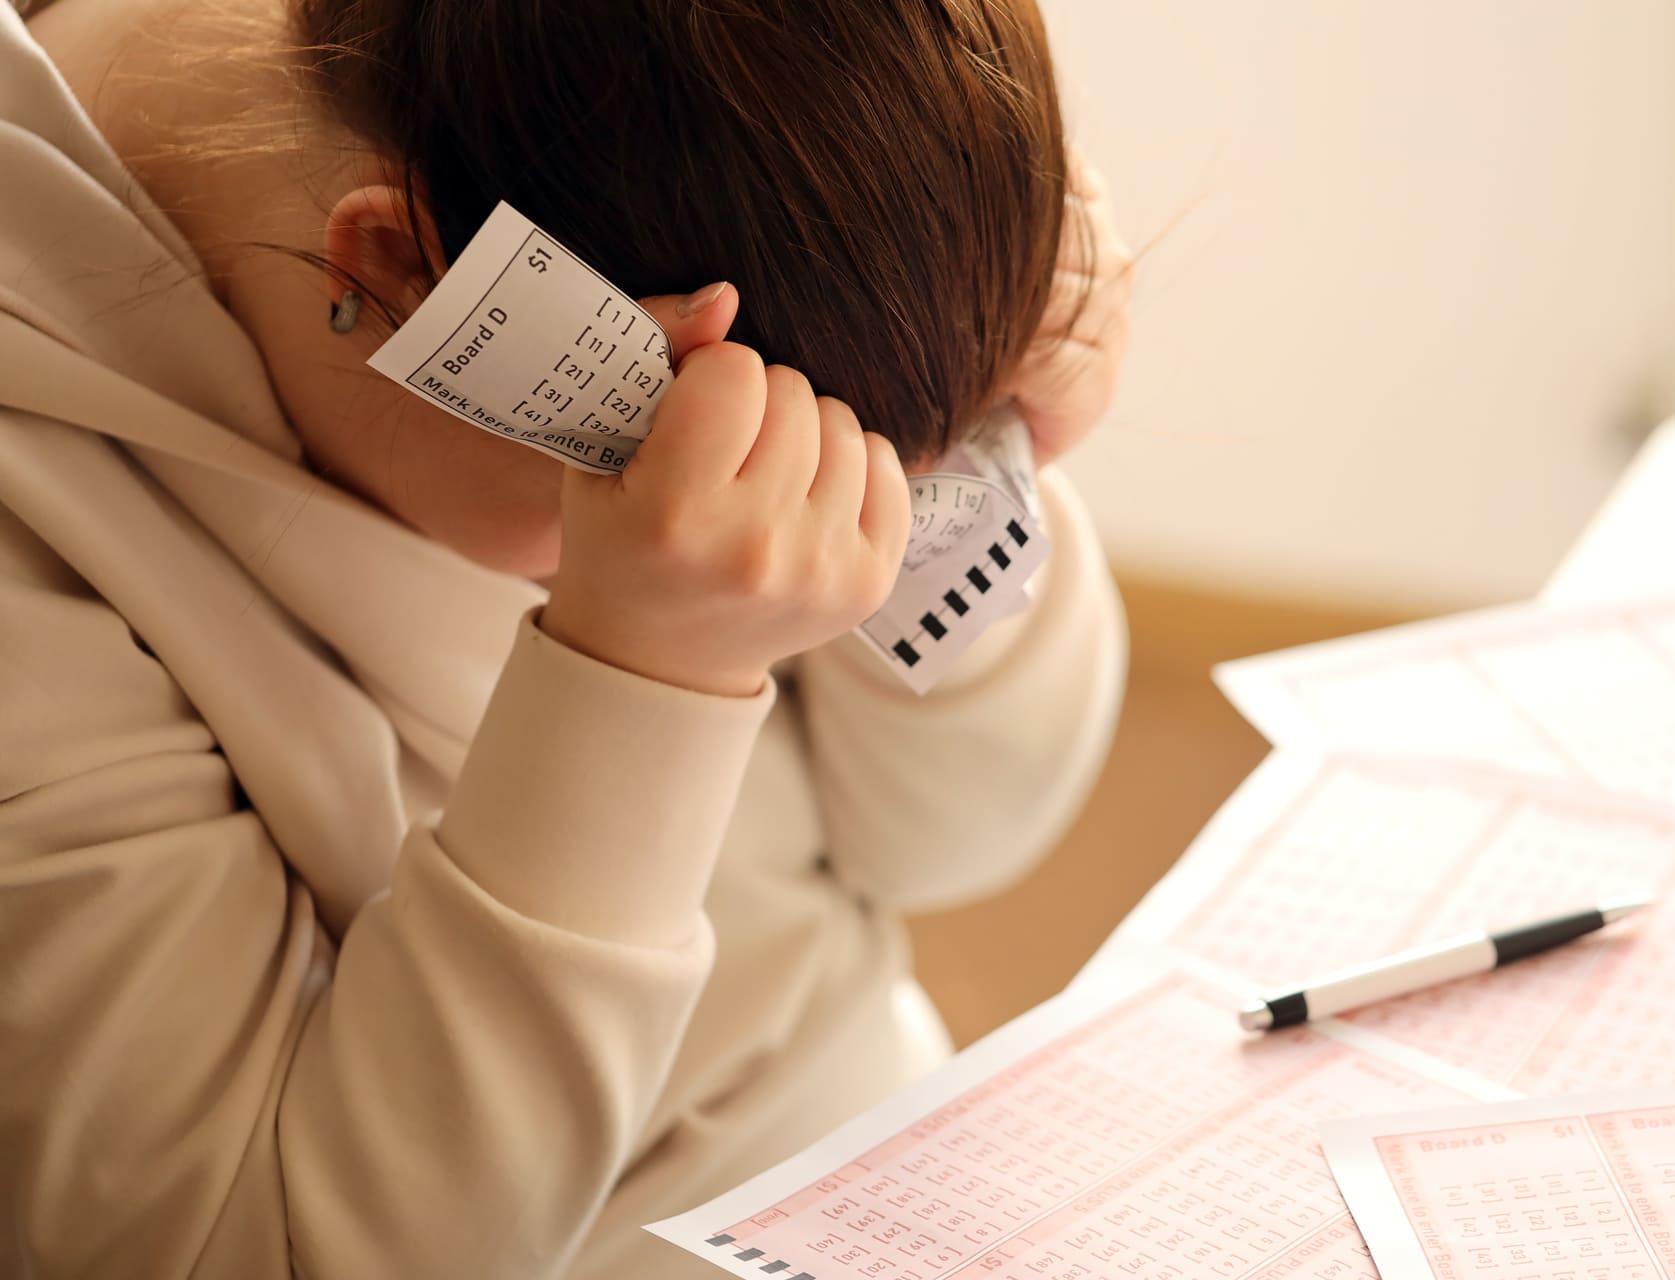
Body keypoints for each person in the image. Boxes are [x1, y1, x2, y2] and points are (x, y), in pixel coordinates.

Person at [0, 0, 1131, 1273]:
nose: (808, 560)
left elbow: (947, 838)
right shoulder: (34, 580)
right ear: (389, 277)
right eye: (707, 469)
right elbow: (254, 1245)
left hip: (894, 1168)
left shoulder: (698, 228)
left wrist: (994, 436)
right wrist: (645, 673)